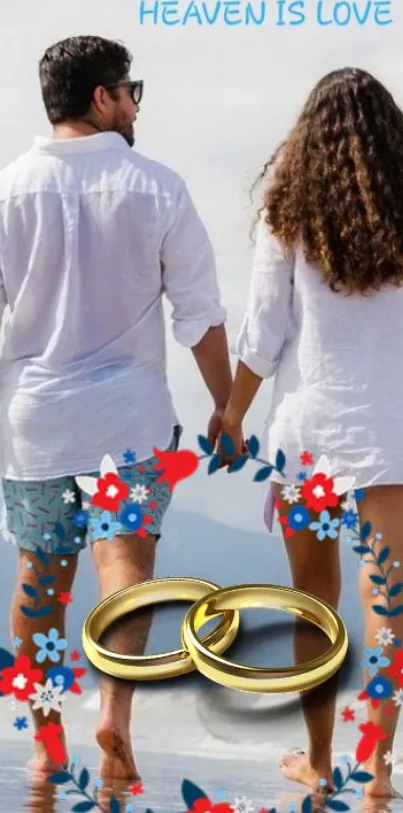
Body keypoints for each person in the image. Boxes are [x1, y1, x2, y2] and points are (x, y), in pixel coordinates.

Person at [0, 35, 233, 781]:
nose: (135, 103)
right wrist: (226, 407)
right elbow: (198, 316)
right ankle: (114, 716)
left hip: (36, 421)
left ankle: (44, 743)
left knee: (41, 580)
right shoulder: (157, 186)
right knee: (125, 567)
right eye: (130, 89)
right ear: (102, 98)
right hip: (129, 421)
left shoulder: (9, 189)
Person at [220, 67, 403, 800]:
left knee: (314, 602)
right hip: (391, 428)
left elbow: (263, 332)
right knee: (387, 600)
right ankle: (376, 762)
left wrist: (230, 412)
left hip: (308, 434)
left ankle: (322, 758)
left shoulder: (287, 213)